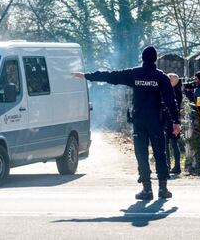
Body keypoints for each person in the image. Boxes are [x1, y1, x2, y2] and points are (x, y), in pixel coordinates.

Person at [71, 46, 181, 200]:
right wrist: (176, 122)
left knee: (141, 154)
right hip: (156, 120)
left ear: (143, 58)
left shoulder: (135, 73)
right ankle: (163, 189)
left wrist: (87, 76)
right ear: (155, 59)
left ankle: (147, 190)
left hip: (139, 121)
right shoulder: (160, 77)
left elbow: (112, 76)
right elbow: (171, 100)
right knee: (160, 154)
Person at [165, 73, 183, 175]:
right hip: (173, 119)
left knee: (169, 143)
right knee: (172, 144)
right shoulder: (177, 91)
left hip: (170, 120)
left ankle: (170, 166)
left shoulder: (172, 92)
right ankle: (175, 166)